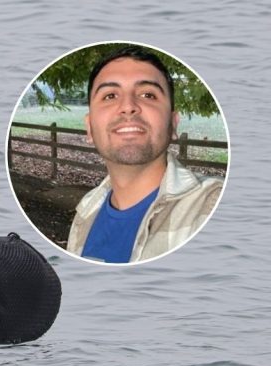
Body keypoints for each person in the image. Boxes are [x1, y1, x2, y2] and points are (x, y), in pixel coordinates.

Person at [66, 46, 223, 263]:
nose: (128, 106)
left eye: (148, 94)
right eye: (110, 95)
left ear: (173, 123)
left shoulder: (213, 205)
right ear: (90, 128)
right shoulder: (85, 211)